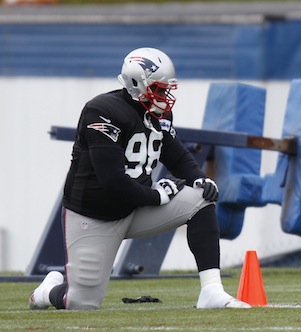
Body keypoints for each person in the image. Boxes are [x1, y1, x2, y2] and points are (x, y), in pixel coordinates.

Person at [28, 47, 250, 310]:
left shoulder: (159, 113)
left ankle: (212, 291)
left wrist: (198, 178)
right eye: (158, 88)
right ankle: (48, 290)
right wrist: (157, 195)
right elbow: (112, 180)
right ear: (136, 84)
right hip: (95, 216)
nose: (164, 96)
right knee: (81, 303)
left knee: (201, 198)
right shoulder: (102, 111)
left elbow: (175, 153)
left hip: (136, 208)